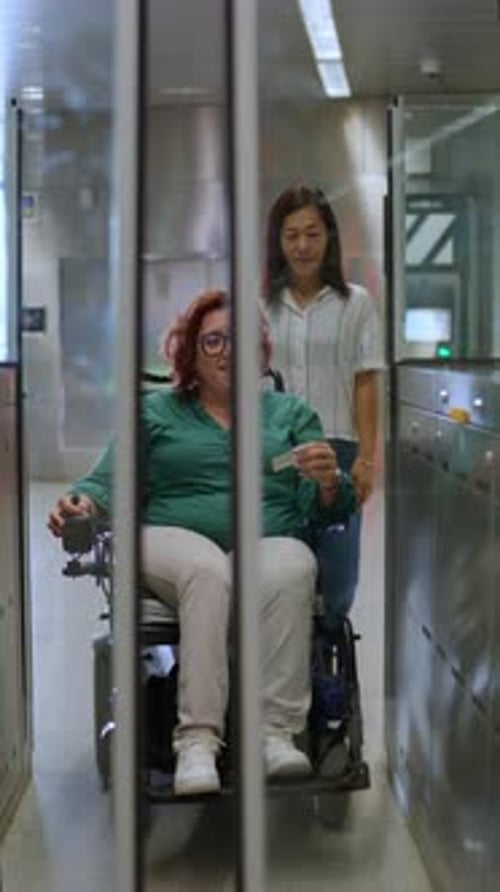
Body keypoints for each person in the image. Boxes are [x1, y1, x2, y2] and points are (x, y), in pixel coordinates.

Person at [48, 290, 356, 798]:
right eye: (212, 339)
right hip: (167, 539)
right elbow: (107, 482)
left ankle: (275, 736)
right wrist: (81, 505)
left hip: (266, 540)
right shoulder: (155, 413)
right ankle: (197, 742)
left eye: (238, 339)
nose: (225, 350)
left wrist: (327, 481)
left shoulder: (290, 414)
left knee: (294, 564)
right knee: (208, 570)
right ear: (190, 353)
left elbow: (326, 507)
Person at [263, 185, 384, 630]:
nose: (302, 246)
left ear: (329, 237)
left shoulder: (357, 303)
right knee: (279, 571)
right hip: (277, 456)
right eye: (291, 235)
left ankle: (329, 674)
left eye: (312, 233)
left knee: (337, 581)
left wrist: (369, 458)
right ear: (277, 242)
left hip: (338, 452)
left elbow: (366, 380)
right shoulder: (260, 308)